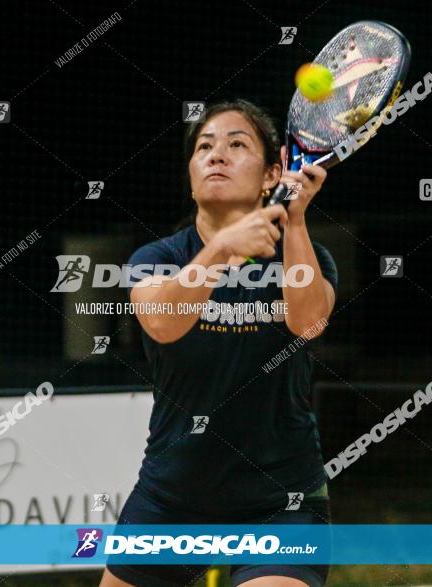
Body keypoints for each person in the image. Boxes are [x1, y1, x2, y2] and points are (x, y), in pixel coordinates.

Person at [100, 99, 338, 587]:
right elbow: (163, 323)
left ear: (273, 173)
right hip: (172, 499)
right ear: (190, 176)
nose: (216, 154)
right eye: (204, 146)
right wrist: (224, 248)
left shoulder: (308, 254)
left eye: (237, 144)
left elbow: (309, 323)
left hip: (280, 501)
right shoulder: (157, 257)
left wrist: (293, 221)